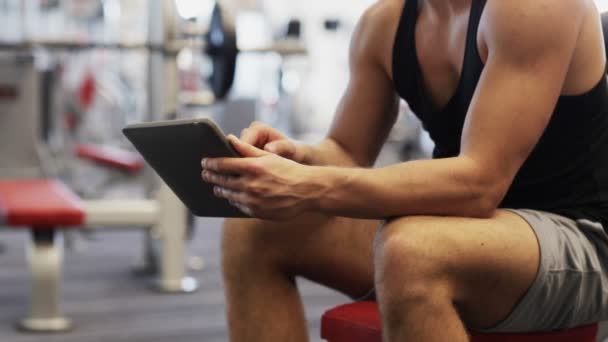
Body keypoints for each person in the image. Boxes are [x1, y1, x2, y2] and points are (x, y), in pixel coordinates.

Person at [201, 0, 608, 340]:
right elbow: (345, 148)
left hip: (581, 238)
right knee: (253, 228)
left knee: (413, 249)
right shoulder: (385, 24)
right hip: (471, 229)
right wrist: (295, 157)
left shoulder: (533, 6)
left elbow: (480, 184)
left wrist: (309, 186)